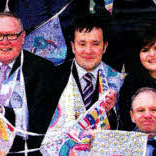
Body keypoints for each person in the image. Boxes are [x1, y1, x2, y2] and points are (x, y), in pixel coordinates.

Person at [0, 12, 59, 155]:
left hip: (20, 151)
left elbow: (38, 123)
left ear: (22, 37)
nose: (5, 41)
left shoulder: (43, 70)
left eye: (11, 35)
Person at [42, 14, 124, 146]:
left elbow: (124, 129)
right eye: (82, 44)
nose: (88, 51)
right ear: (73, 46)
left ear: (105, 47)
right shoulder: (53, 78)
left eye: (95, 44)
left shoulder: (116, 80)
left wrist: (108, 112)